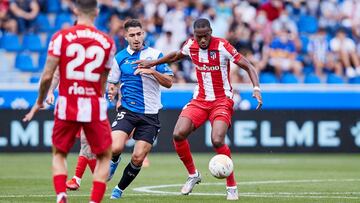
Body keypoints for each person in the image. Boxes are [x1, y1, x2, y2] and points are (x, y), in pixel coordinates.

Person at [135, 18, 263, 201]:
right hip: (200, 100)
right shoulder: (191, 45)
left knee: (217, 140)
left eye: (206, 36)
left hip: (221, 100)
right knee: (178, 134)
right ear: (194, 35)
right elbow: (174, 56)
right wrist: (153, 63)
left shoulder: (222, 46)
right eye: (199, 37)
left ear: (211, 32)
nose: (202, 40)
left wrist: (256, 89)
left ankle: (231, 186)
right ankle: (193, 174)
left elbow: (248, 65)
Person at [23, 0, 116, 202]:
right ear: (97, 12)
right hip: (93, 106)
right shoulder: (107, 41)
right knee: (104, 157)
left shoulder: (61, 37)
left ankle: (61, 195)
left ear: (75, 10)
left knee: (59, 154)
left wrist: (39, 100)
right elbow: (103, 78)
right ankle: (94, 200)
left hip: (67, 105)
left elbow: (48, 75)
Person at [106, 19, 173, 199]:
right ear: (125, 36)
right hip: (128, 111)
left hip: (150, 115)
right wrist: (112, 92)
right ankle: (114, 159)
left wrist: (152, 70)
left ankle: (118, 190)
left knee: (138, 158)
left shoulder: (155, 55)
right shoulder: (120, 58)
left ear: (143, 34)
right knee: (115, 146)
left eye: (139, 34)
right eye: (132, 35)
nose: (136, 38)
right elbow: (112, 83)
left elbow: (169, 82)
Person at [45, 68, 97, 191]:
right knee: (85, 145)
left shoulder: (92, 54)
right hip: (71, 105)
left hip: (89, 103)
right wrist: (50, 92)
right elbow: (57, 73)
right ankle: (81, 179)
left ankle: (92, 180)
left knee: (86, 142)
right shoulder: (67, 54)